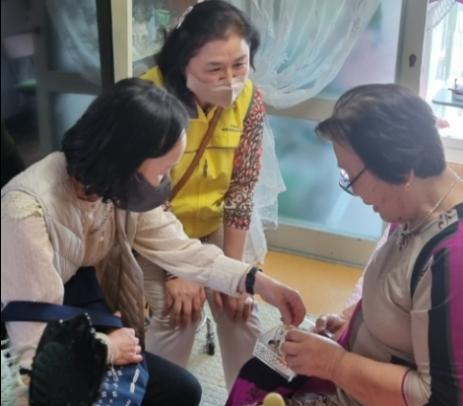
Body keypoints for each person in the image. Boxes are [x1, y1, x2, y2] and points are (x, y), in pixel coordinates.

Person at [227, 84, 463, 406]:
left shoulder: (462, 261)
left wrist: (334, 364)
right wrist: (354, 321)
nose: (354, 192)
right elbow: (405, 291)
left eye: (352, 176)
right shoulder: (421, 206)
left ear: (402, 170)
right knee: (262, 368)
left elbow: (443, 400)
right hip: (374, 376)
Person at [0, 78, 305, 405]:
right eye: (162, 173)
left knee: (183, 389)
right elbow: (33, 362)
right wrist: (106, 349)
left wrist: (260, 283)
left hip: (80, 304)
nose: (165, 184)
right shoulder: (25, 212)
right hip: (36, 331)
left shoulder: (111, 186)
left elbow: (183, 251)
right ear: (125, 159)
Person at [139, 0, 266, 387]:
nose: (230, 79)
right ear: (183, 62)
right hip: (155, 228)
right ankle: (163, 394)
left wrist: (234, 274)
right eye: (214, 68)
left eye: (239, 65)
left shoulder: (251, 101)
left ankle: (249, 396)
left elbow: (241, 189)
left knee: (241, 311)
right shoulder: (149, 97)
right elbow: (145, 194)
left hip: (211, 224)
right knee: (177, 313)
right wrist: (179, 270)